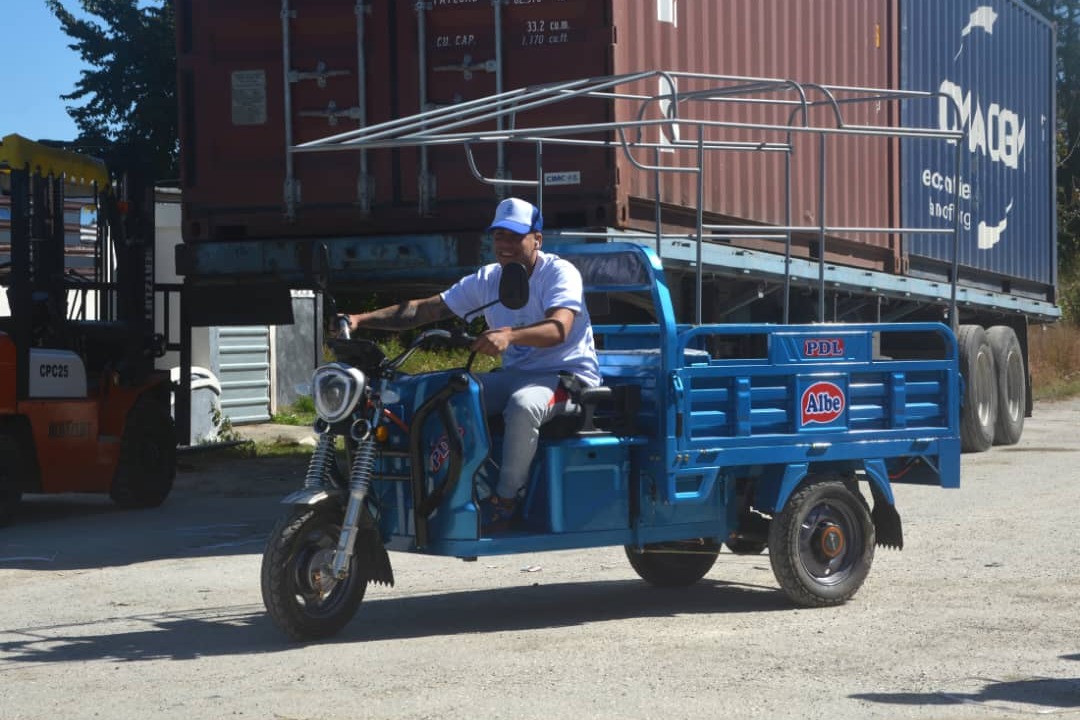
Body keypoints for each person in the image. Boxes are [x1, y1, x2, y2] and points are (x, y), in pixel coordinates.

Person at [344, 197, 600, 532]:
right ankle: (447, 487)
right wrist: (359, 319)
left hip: (567, 378)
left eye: (515, 236)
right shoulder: (489, 279)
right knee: (446, 393)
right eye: (498, 237)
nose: (505, 245)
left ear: (537, 239)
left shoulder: (559, 272)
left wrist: (509, 336)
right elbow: (426, 310)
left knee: (523, 406)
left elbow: (559, 328)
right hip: (515, 375)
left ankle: (506, 499)